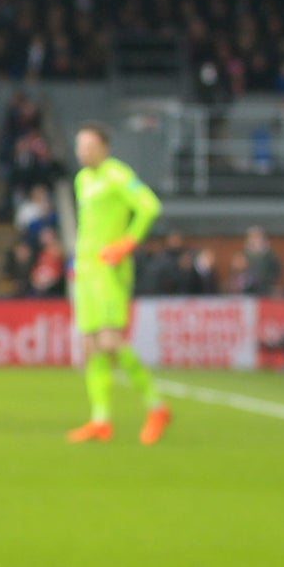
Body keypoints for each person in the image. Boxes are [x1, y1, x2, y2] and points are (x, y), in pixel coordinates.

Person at [68, 122, 168, 444]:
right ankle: (101, 420)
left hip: (109, 273)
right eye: (79, 146)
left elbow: (150, 207)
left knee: (111, 343)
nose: (82, 151)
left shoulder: (117, 174)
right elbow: (88, 226)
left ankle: (156, 406)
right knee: (91, 347)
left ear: (104, 147)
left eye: (88, 145)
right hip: (86, 272)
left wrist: (127, 243)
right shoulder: (82, 180)